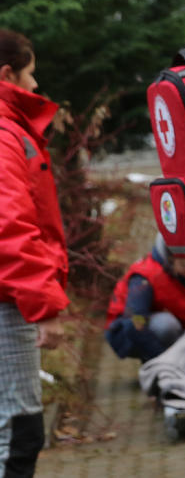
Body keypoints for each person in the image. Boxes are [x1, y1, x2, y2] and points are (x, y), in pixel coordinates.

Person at [0, 29, 68, 478]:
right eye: (30, 76)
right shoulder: (4, 133)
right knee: (19, 433)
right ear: (7, 73)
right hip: (9, 300)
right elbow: (8, 222)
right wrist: (43, 303)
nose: (35, 88)